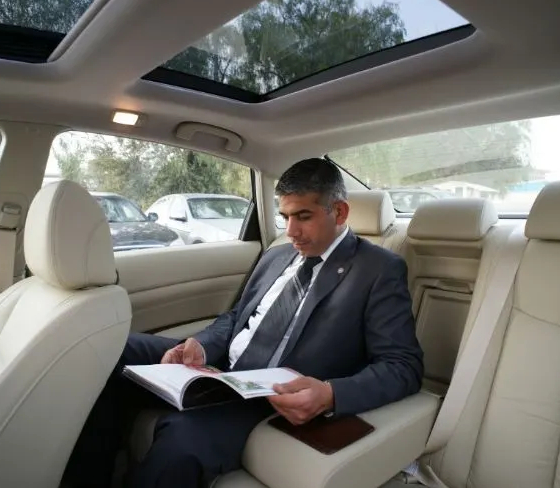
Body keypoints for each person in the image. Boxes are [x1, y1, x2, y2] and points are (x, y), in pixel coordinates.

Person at [64, 158, 424, 488]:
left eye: (303, 216)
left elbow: (403, 365)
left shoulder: (378, 270)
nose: (291, 231)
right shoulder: (277, 256)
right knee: (110, 351)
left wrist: (330, 394)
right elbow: (237, 317)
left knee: (181, 442)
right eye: (285, 217)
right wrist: (201, 345)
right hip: (219, 370)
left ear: (340, 211)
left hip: (266, 396)